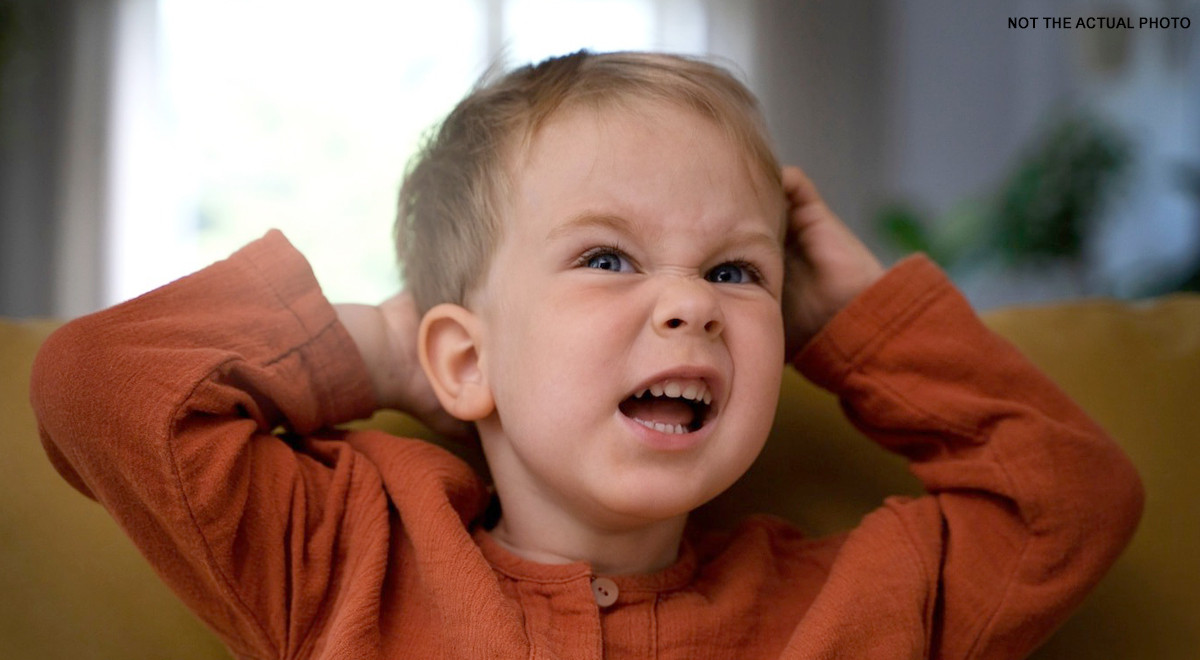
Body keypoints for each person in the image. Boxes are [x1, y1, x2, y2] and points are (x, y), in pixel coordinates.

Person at [31, 51, 1142, 659]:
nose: (690, 306)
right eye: (610, 259)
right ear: (462, 361)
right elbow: (100, 386)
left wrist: (855, 318)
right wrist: (375, 348)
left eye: (735, 273)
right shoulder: (350, 553)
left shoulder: (853, 600)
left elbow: (1074, 501)